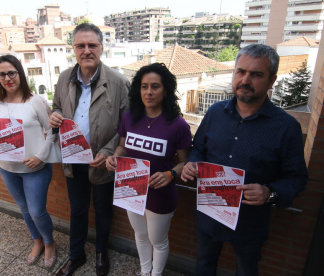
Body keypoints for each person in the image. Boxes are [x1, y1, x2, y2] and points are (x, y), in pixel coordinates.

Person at [181, 44, 308, 275]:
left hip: (250, 221)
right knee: (204, 265)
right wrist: (192, 164)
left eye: (256, 74)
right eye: (240, 71)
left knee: (246, 270)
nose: (245, 79)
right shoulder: (215, 112)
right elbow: (198, 149)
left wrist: (269, 192)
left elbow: (297, 178)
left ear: (271, 81)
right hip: (209, 211)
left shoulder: (287, 127)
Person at [49, 23, 129, 276]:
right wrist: (55, 116)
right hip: (73, 159)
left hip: (103, 161)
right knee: (78, 210)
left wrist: (107, 151)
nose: (86, 50)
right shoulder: (64, 78)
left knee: (104, 210)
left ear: (101, 48)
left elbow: (127, 127)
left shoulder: (118, 82)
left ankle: (101, 253)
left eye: (92, 45)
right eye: (80, 45)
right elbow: (57, 107)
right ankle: (76, 256)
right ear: (73, 49)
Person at [106, 63, 192, 276]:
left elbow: (184, 163)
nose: (149, 92)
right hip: (131, 187)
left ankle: (156, 274)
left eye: (155, 86)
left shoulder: (178, 125)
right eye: (144, 86)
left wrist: (170, 174)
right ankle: (145, 272)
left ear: (166, 90)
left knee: (158, 240)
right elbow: (122, 146)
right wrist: (114, 159)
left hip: (160, 192)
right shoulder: (129, 118)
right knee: (140, 235)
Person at [0, 55, 61, 268]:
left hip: (35, 167)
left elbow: (52, 132)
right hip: (7, 167)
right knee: (24, 209)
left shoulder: (36, 101)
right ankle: (37, 242)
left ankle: (50, 243)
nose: (8, 78)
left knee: (37, 211)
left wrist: (40, 156)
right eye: (2, 74)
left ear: (20, 73)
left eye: (12, 73)